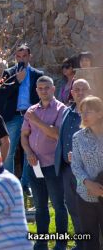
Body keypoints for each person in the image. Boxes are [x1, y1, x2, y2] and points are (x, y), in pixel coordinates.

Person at [21, 76, 68, 250]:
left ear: (53, 89)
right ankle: (41, 243)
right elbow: (23, 136)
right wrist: (29, 152)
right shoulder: (31, 110)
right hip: (34, 165)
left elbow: (56, 134)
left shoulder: (61, 109)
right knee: (40, 207)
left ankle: (61, 243)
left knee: (58, 206)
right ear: (36, 91)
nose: (43, 91)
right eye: (40, 88)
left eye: (46, 88)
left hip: (53, 165)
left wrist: (36, 121)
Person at [0, 44, 43, 191]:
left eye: (24, 56)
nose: (21, 59)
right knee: (9, 150)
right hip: (13, 116)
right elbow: (1, 96)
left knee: (30, 150)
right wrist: (17, 81)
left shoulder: (37, 74)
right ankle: (10, 183)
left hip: (31, 117)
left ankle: (26, 183)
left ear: (30, 56)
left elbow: (39, 97)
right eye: (18, 56)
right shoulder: (8, 74)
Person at [54, 79, 92, 250]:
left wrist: (79, 155)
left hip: (87, 171)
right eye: (76, 89)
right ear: (71, 92)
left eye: (83, 89)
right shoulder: (66, 112)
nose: (79, 92)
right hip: (66, 170)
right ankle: (80, 242)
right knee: (73, 208)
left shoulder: (96, 113)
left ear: (90, 91)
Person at [71, 96, 103, 250]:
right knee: (90, 241)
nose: (83, 116)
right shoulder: (77, 137)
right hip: (85, 195)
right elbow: (76, 166)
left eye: (88, 112)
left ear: (100, 113)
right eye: (81, 112)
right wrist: (88, 183)